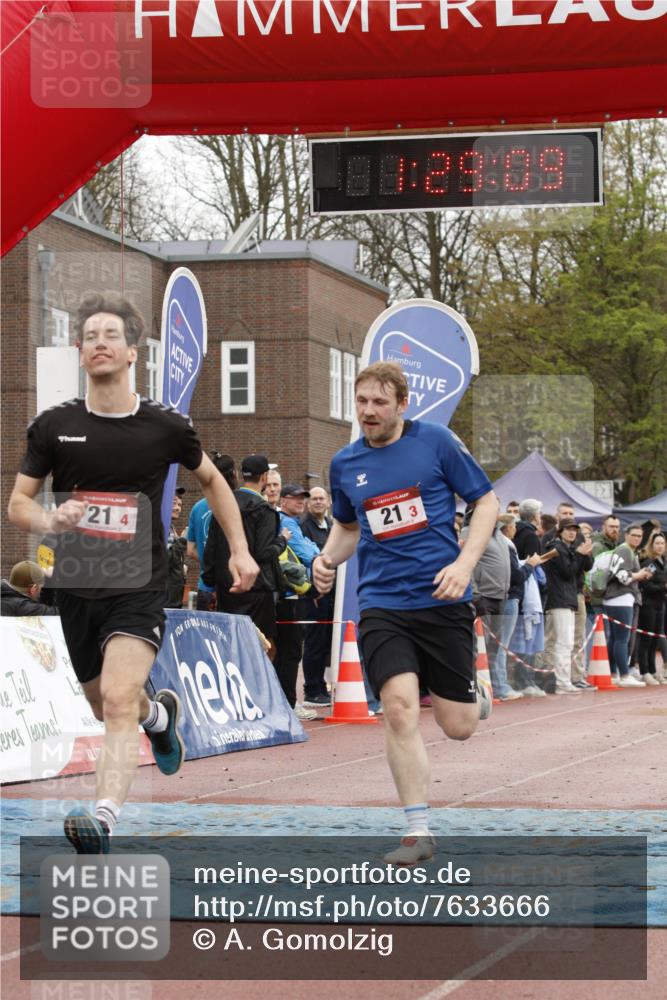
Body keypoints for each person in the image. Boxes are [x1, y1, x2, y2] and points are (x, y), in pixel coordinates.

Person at [7, 292, 258, 854]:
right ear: (79, 351)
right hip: (73, 586)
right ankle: (160, 716)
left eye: (110, 335)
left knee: (118, 699)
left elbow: (215, 482)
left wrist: (239, 549)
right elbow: (18, 504)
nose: (99, 343)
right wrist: (51, 516)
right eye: (90, 335)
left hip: (138, 586)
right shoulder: (54, 426)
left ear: (131, 353)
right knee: (106, 702)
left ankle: (102, 818)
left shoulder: (166, 426)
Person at [313, 361, 498, 866]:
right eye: (362, 402)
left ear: (402, 404)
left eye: (379, 403)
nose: (368, 412)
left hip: (442, 597)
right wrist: (326, 559)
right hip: (382, 603)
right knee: (396, 708)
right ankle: (418, 830)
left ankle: (472, 696)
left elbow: (486, 502)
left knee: (457, 726)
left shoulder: (435, 442)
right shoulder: (346, 463)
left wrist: (464, 563)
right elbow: (348, 528)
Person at [202, 454, 285, 658]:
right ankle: (256, 689)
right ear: (264, 477)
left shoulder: (223, 506)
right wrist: (283, 540)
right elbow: (263, 552)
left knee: (229, 647)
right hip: (257, 589)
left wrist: (211, 583)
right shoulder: (264, 510)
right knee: (262, 649)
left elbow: (210, 551)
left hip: (227, 588)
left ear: (241, 474)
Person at [275, 484, 320, 720]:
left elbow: (309, 548)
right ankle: (288, 703)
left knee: (288, 650)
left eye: (303, 498)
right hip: (286, 595)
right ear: (283, 501)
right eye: (295, 498)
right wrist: (315, 552)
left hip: (289, 594)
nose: (300, 502)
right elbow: (309, 553)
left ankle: (285, 702)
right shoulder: (285, 523)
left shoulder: (293, 524)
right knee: (290, 651)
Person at [542, 518, 592, 695]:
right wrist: (579, 554)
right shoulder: (556, 547)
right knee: (563, 642)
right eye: (568, 529)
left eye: (574, 529)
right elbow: (567, 571)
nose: (572, 532)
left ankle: (563, 681)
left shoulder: (568, 548)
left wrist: (585, 553)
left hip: (567, 599)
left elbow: (585, 567)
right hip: (558, 599)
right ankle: (562, 683)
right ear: (560, 530)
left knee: (567, 642)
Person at [496, 514, 544, 697]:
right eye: (514, 526)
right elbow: (515, 577)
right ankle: (500, 687)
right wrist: (530, 566)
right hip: (509, 598)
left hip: (504, 597)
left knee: (498, 646)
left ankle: (500, 685)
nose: (516, 530)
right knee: (500, 646)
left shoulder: (502, 543)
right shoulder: (506, 545)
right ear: (508, 528)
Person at [601, 523, 650, 687]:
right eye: (634, 535)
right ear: (626, 535)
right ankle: (624, 674)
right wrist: (640, 574)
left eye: (640, 536)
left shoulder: (626, 550)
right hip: (621, 598)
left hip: (615, 598)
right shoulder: (625, 550)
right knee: (622, 639)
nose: (637, 538)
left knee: (615, 639)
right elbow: (624, 577)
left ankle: (614, 673)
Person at [186, 453, 237, 611]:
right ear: (234, 473)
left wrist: (208, 562)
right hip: (232, 585)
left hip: (205, 586)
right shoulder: (238, 503)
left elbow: (190, 550)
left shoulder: (197, 507)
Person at [301, 487, 334, 707]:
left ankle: (322, 684)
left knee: (326, 642)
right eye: (314, 499)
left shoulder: (332, 526)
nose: (319, 502)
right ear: (308, 503)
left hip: (333, 594)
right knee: (314, 642)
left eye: (322, 498)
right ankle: (311, 688)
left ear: (329, 502)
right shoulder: (304, 527)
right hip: (314, 594)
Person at [637, 531, 666, 684]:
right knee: (646, 639)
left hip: (660, 605)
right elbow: (646, 586)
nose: (660, 546)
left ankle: (654, 671)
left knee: (656, 639)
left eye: (662, 543)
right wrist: (664, 586)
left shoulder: (663, 562)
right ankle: (644, 671)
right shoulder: (649, 563)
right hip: (648, 605)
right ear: (651, 545)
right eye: (657, 543)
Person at [165, 488, 188, 609]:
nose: (178, 508)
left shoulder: (170, 527)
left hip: (173, 598)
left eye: (180, 504)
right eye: (174, 503)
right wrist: (182, 541)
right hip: (165, 600)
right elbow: (165, 559)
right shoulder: (162, 526)